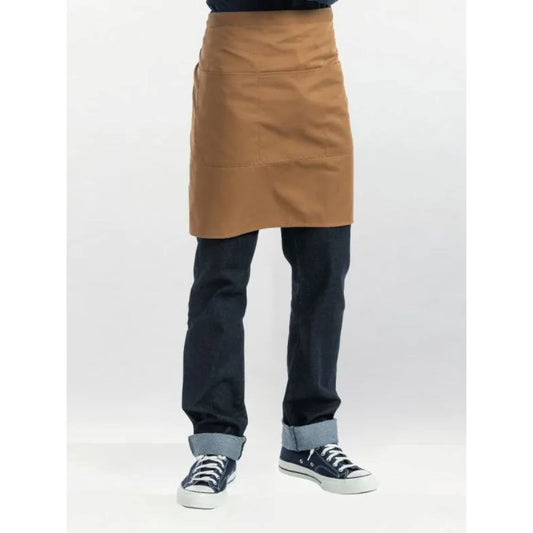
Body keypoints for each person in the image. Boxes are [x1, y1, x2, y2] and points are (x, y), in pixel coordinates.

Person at [177, 0, 377, 509]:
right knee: (221, 273)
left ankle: (310, 437)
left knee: (324, 268)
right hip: (235, 65)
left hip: (313, 65)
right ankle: (215, 443)